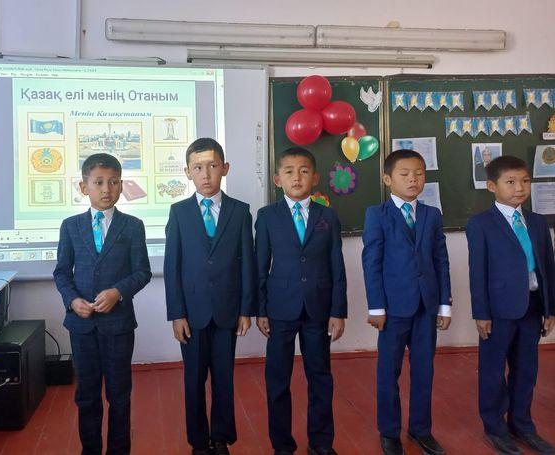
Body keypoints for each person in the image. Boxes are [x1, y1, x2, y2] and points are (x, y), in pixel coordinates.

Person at [53, 152, 152, 455]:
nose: (106, 189)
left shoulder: (132, 226)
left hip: (118, 325)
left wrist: (117, 292)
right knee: (87, 395)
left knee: (119, 395)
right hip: (81, 326)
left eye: (113, 182)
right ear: (84, 187)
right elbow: (61, 272)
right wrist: (73, 301)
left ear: (121, 185)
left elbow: (142, 272)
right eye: (98, 182)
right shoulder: (70, 226)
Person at [164, 137, 256, 455]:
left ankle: (221, 438)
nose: (206, 174)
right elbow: (172, 267)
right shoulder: (179, 213)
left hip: (228, 311)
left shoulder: (240, 212)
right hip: (191, 314)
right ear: (187, 172)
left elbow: (247, 263)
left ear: (225, 168)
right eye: (198, 167)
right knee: (193, 380)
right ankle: (199, 441)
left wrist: (246, 310)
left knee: (224, 379)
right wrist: (176, 314)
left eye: (213, 166)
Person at [255, 147, 347, 455]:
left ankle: (321, 444)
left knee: (320, 377)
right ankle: (282, 446)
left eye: (304, 171)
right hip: (280, 309)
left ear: (315, 177)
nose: (297, 177)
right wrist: (261, 309)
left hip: (318, 308)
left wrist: (338, 311)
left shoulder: (327, 216)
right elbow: (260, 266)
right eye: (289, 172)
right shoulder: (267, 217)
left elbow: (337, 266)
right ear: (278, 179)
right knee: (278, 380)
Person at [362, 149, 452, 455]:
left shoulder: (432, 215)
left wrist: (444, 304)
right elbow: (371, 262)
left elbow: (441, 260)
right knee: (389, 372)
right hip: (392, 309)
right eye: (404, 174)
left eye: (419, 173)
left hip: (427, 306)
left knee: (424, 370)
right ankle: (389, 432)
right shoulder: (377, 214)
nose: (413, 179)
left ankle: (420, 429)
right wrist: (376, 307)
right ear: (388, 179)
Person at [466, 155, 555, 455]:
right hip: (498, 311)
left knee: (526, 370)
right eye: (511, 182)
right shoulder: (481, 224)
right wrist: (481, 313)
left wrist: (550, 308)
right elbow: (477, 272)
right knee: (493, 371)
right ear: (492, 186)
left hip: (533, 306)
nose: (519, 188)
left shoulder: (537, 222)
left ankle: (522, 425)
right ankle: (495, 428)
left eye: (525, 181)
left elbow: (548, 266)